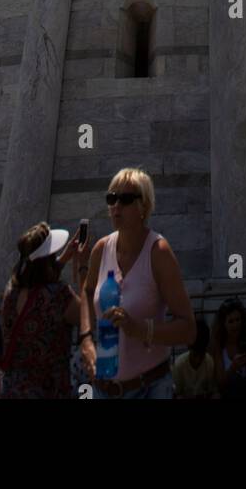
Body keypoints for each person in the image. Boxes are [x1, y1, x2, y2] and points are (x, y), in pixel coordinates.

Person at [79, 167, 196, 399]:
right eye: (111, 198)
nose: (116, 206)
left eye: (125, 199)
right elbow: (87, 289)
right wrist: (86, 339)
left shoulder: (158, 252)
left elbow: (189, 330)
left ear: (144, 207)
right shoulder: (101, 249)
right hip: (104, 389)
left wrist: (140, 329)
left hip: (148, 388)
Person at [0, 222, 87, 399]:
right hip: (48, 390)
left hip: (11, 390)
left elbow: (37, 282)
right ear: (48, 260)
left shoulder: (11, 293)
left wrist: (64, 258)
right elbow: (88, 316)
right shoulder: (59, 295)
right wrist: (82, 267)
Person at [210, 297, 246, 400]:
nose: (235, 325)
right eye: (231, 321)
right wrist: (232, 368)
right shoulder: (218, 345)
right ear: (224, 324)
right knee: (235, 381)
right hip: (229, 391)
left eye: (238, 320)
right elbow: (220, 383)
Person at [173, 318, 217, 399]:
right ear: (188, 347)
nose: (198, 360)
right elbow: (177, 394)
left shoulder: (209, 362)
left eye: (201, 354)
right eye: (195, 354)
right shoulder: (179, 365)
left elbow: (212, 391)